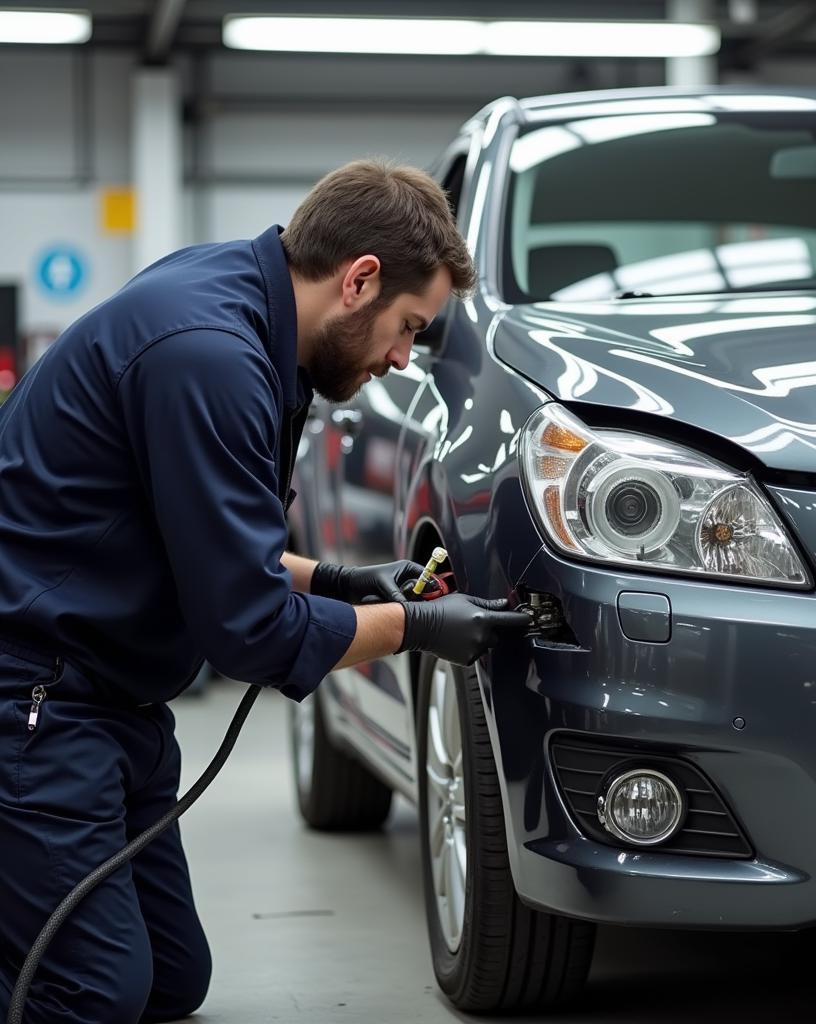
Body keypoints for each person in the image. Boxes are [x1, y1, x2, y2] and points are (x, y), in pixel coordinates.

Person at [0, 159, 530, 1024]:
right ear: (359, 279)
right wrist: (417, 626)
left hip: (111, 704)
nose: (401, 358)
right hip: (32, 702)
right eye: (406, 327)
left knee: (173, 982)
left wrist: (339, 581)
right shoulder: (209, 355)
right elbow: (248, 630)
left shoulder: (234, 303)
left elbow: (209, 549)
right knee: (91, 996)